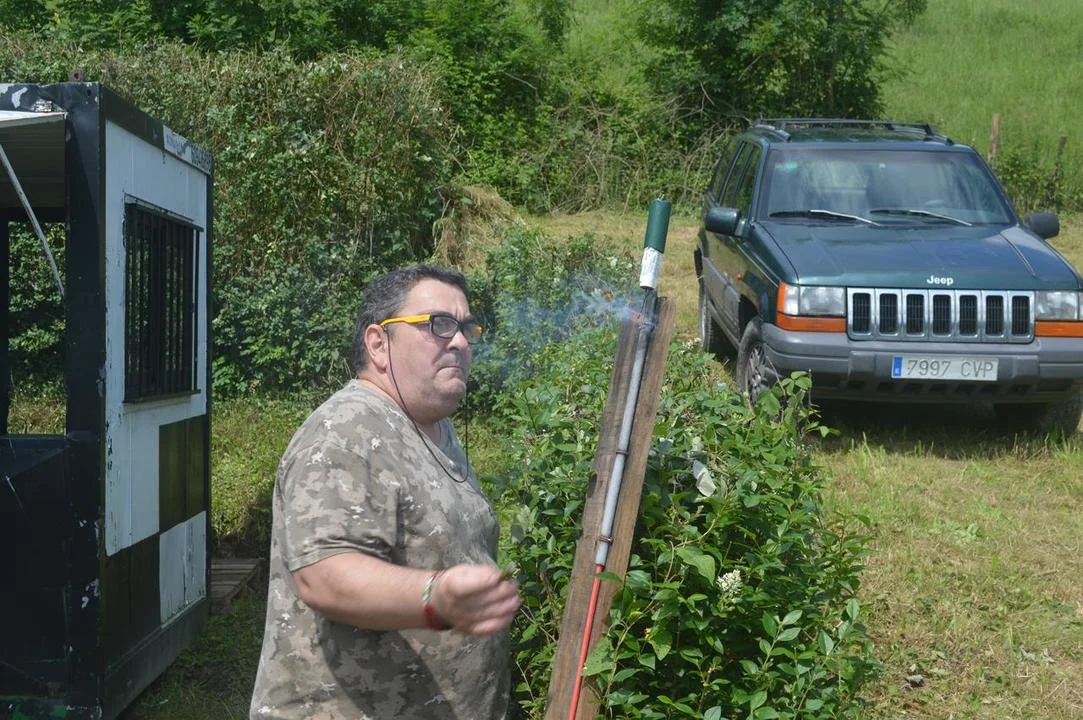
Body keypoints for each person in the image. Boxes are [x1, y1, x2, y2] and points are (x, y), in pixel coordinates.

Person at [250, 264, 520, 720]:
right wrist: (435, 598)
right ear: (379, 343)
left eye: (466, 327)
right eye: (439, 325)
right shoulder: (346, 431)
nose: (460, 341)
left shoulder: (433, 427)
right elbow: (325, 574)